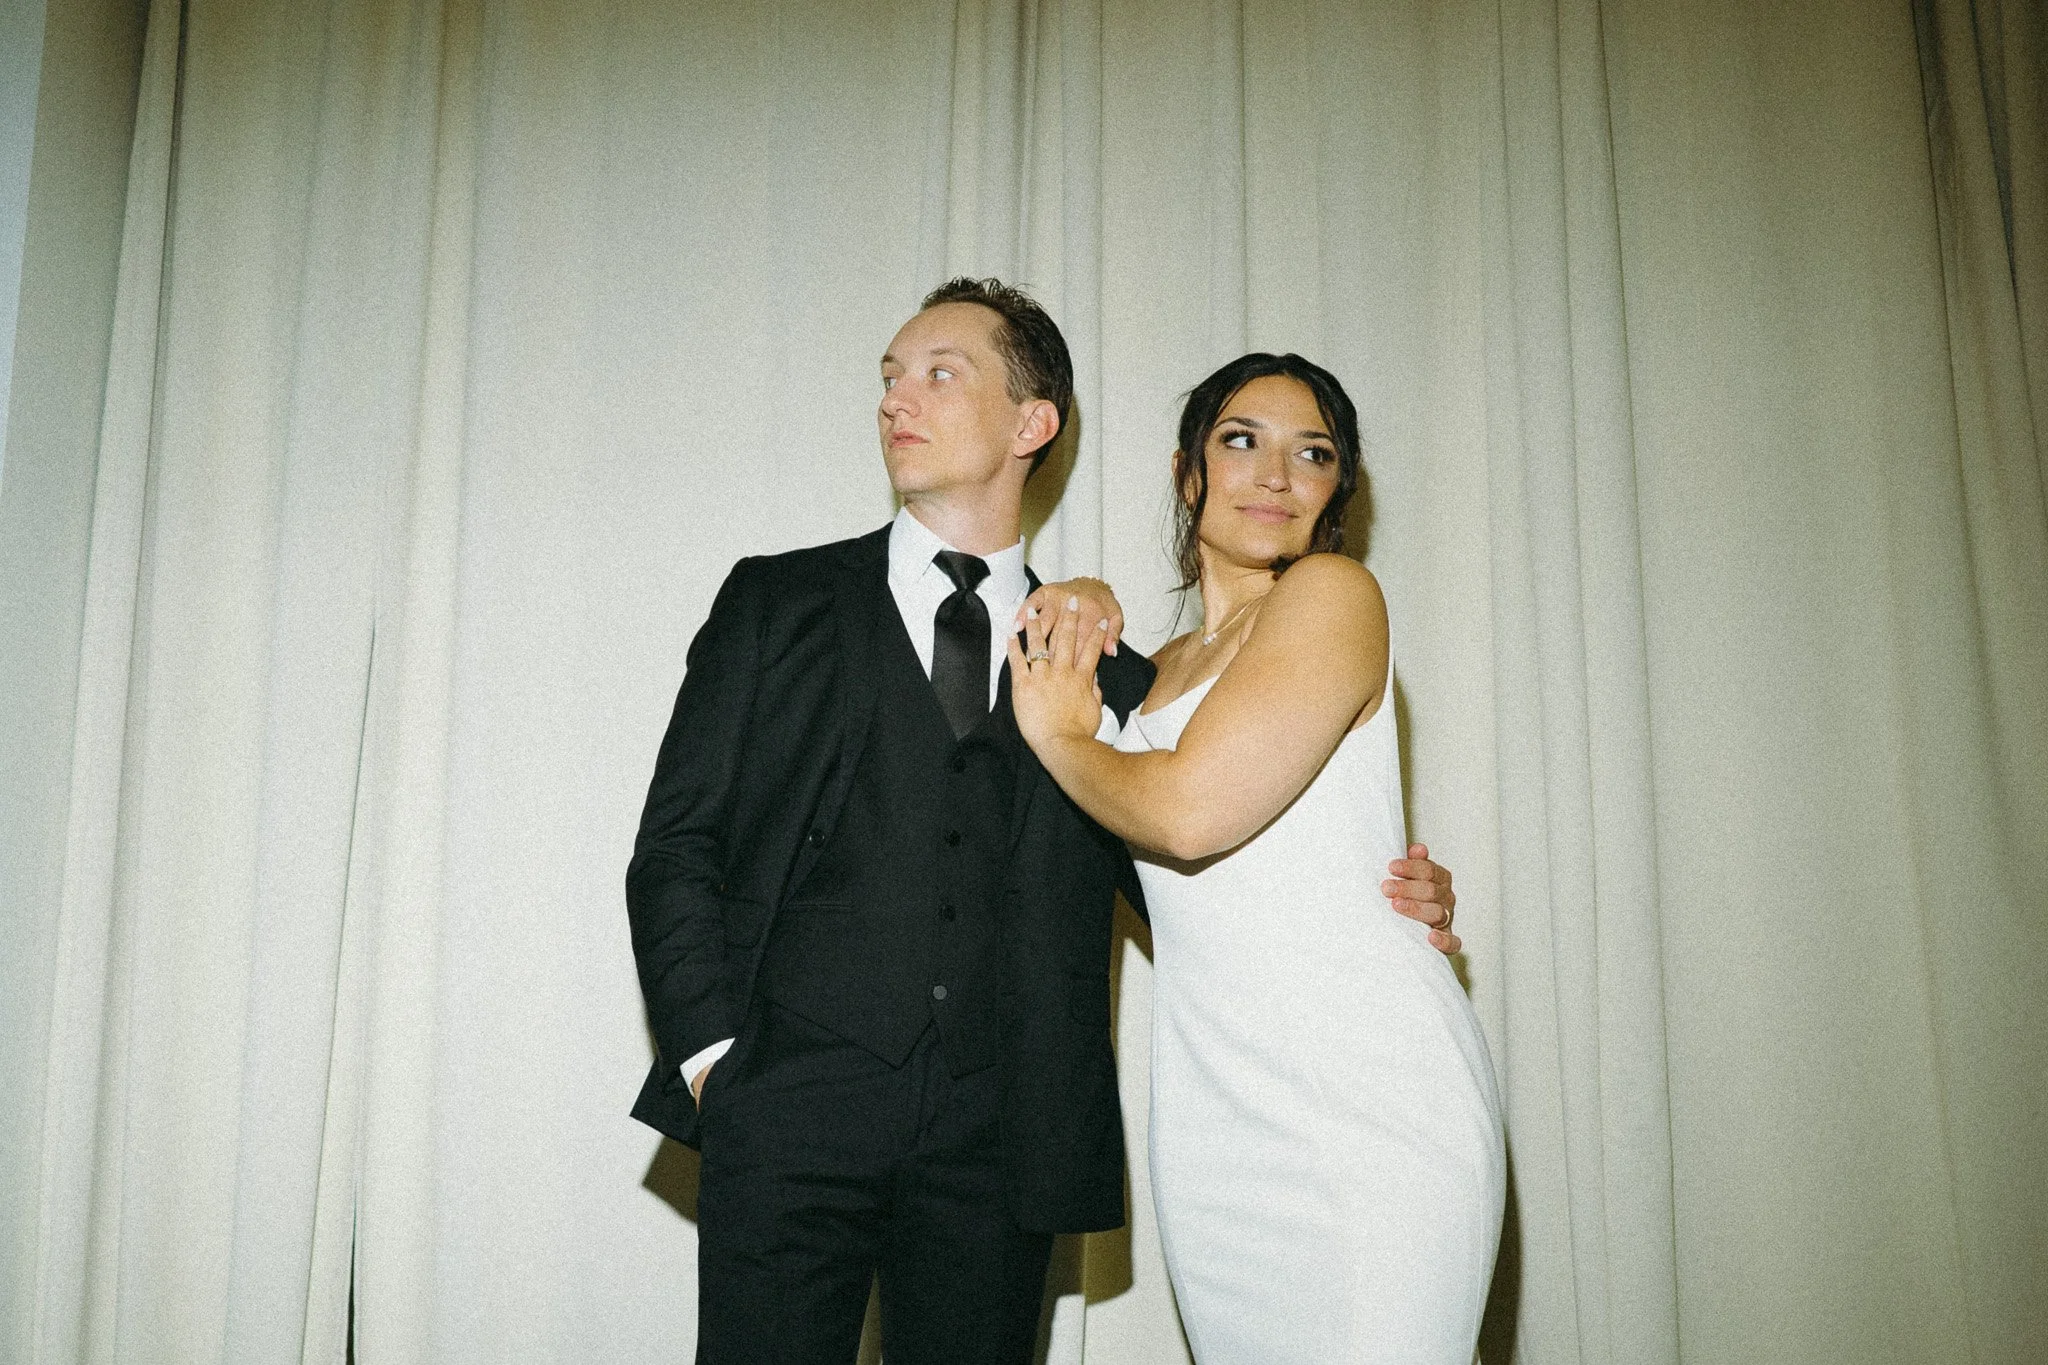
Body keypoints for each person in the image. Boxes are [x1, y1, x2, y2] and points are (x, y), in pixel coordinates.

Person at [625, 282, 1462, 1365]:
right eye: (888, 377)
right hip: (784, 1115)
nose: (895, 400)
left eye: (938, 372)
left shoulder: (1118, 677)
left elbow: (1199, 864)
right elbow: (675, 847)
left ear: (1033, 422)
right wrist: (713, 1064)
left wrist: (1386, 897)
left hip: (1000, 1145)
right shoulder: (775, 602)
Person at [1008, 352, 1506, 1363]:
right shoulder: (1150, 679)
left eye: (1309, 454)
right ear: (1188, 471)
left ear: (1334, 495)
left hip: (1372, 1102)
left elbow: (1188, 816)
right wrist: (1078, 598)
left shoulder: (1333, 595)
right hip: (1212, 1124)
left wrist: (1061, 738)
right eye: (1240, 441)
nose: (1273, 475)